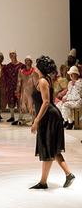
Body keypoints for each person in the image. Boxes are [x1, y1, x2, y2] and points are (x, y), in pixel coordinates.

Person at [30, 55, 75, 189]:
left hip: (49, 117)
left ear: (41, 68)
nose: (34, 67)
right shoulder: (44, 79)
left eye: (37, 65)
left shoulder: (43, 81)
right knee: (52, 148)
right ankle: (67, 175)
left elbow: (46, 102)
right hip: (49, 116)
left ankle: (44, 182)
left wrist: (36, 121)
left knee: (48, 147)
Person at [15, 56, 38, 126]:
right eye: (26, 61)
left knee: (31, 106)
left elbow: (36, 82)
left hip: (31, 92)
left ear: (31, 62)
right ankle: (20, 119)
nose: (27, 62)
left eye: (29, 60)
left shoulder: (34, 71)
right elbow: (19, 82)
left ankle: (34, 120)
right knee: (22, 106)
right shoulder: (21, 71)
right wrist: (17, 91)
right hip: (23, 91)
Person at [3, 50, 24, 123]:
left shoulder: (21, 66)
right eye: (10, 54)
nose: (12, 55)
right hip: (10, 87)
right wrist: (6, 86)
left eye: (13, 54)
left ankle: (20, 118)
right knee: (11, 102)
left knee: (20, 103)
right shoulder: (7, 66)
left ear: (16, 55)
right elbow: (5, 77)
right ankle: (12, 117)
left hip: (19, 87)